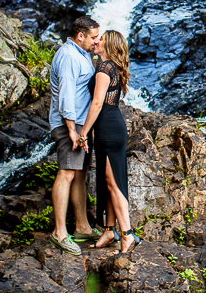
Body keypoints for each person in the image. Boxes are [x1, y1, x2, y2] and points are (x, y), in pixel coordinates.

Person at [78, 29, 142, 254]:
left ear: (110, 45)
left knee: (113, 182)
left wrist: (83, 132)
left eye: (101, 39)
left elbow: (97, 104)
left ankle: (126, 234)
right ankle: (109, 230)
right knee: (110, 181)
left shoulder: (105, 69)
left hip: (107, 128)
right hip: (110, 127)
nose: (96, 41)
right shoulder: (110, 67)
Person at [48, 16, 102, 255]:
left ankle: (82, 226)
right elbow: (66, 97)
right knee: (67, 173)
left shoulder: (81, 54)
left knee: (79, 175)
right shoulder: (69, 57)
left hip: (81, 125)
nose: (96, 41)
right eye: (93, 37)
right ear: (80, 35)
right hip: (70, 125)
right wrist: (72, 130)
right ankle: (60, 233)